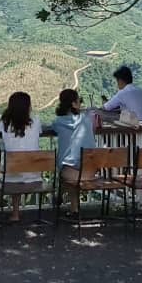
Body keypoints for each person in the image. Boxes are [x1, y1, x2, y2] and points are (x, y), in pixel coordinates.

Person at [0, 91, 42, 223]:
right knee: (20, 172)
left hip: (9, 182)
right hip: (35, 180)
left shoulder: (4, 123)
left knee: (14, 173)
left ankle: (15, 214)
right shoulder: (36, 121)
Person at [51, 88, 97, 216]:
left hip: (71, 173)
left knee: (67, 168)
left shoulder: (58, 122)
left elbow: (55, 126)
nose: (80, 104)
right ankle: (72, 208)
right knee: (74, 164)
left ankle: (61, 197)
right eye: (79, 101)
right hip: (90, 171)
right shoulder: (86, 120)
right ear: (73, 104)